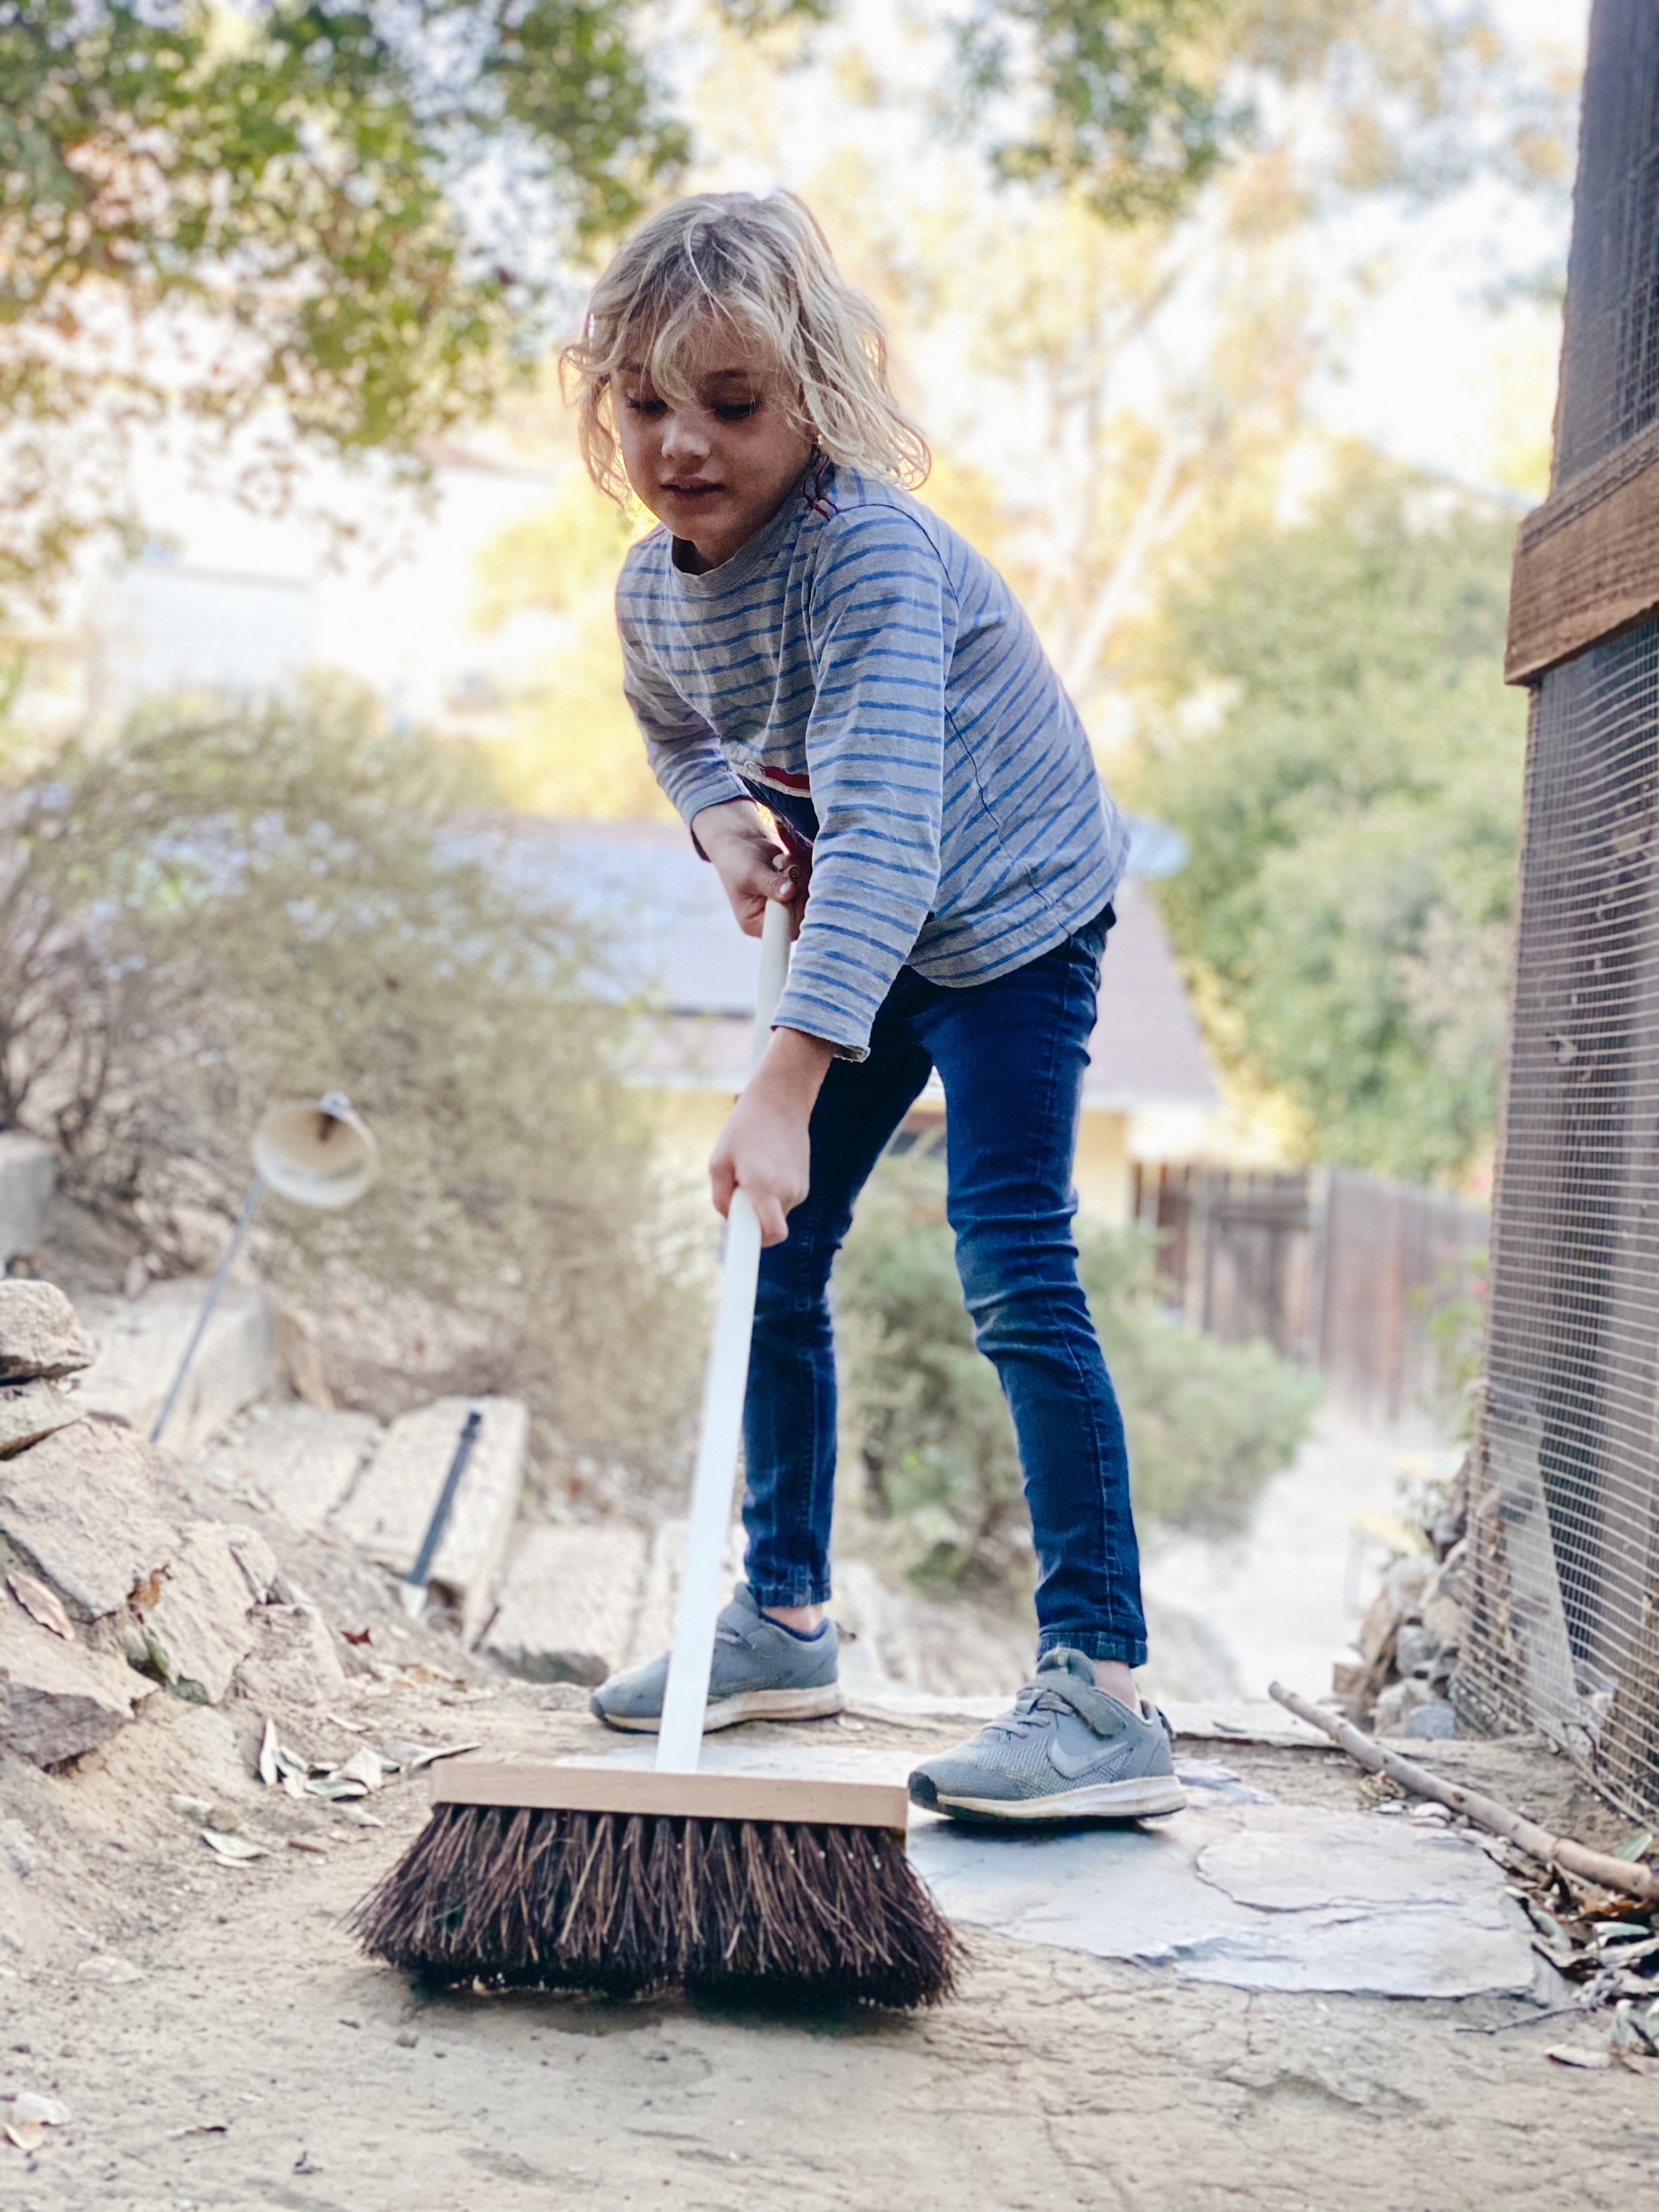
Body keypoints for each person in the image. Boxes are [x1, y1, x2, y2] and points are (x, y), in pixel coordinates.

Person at [573, 191, 1183, 1824]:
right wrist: (714, 815)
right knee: (771, 1246)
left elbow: (899, 841)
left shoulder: (876, 558)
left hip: (1007, 915)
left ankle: (1105, 1688)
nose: (681, 443)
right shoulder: (654, 588)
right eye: (645, 403)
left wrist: (780, 1089)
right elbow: (675, 722)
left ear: (819, 404)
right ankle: (782, 1621)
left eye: (732, 404)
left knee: (1009, 1256)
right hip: (868, 917)